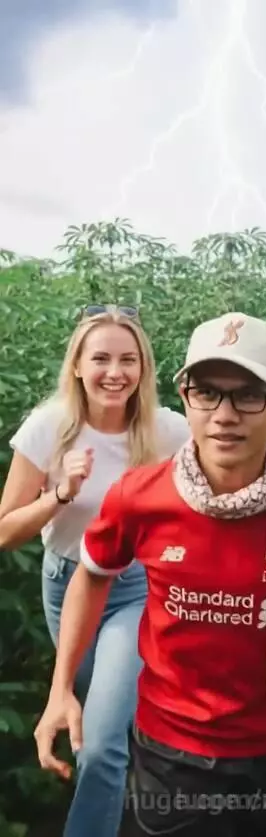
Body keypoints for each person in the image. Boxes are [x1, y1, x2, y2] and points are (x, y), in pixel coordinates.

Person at [33, 311, 266, 837]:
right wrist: (61, 687)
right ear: (185, 398)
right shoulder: (142, 495)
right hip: (169, 749)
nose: (225, 414)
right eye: (207, 392)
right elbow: (92, 574)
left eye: (248, 394)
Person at [0, 304, 190, 837]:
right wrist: (60, 494)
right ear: (78, 366)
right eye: (101, 357)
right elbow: (5, 529)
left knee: (102, 740)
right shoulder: (49, 429)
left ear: (144, 369)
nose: (115, 371)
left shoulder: (169, 432)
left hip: (134, 588)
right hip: (66, 584)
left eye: (128, 359)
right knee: (91, 722)